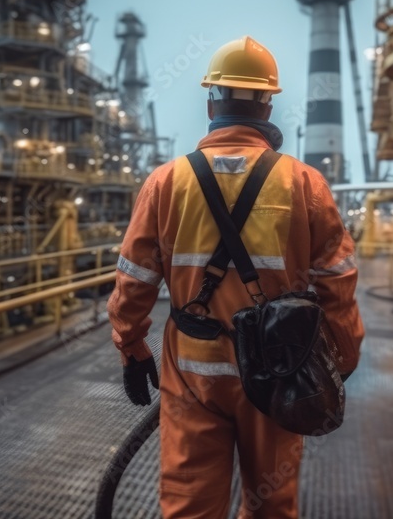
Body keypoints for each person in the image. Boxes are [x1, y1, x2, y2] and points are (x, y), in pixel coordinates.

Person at [107, 36, 364, 518]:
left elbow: (134, 282)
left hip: (193, 373)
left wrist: (132, 348)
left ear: (211, 103)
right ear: (268, 106)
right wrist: (341, 358)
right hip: (279, 370)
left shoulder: (166, 182)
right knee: (270, 503)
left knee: (189, 503)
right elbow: (338, 282)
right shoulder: (304, 183)